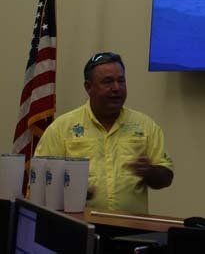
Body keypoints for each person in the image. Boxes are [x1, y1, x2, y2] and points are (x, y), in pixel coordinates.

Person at [35, 51, 173, 214]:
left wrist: (149, 171)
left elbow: (166, 177)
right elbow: (40, 182)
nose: (116, 88)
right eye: (108, 82)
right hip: (79, 223)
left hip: (130, 226)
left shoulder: (145, 125)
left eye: (121, 81)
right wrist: (73, 191)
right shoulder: (61, 128)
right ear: (88, 87)